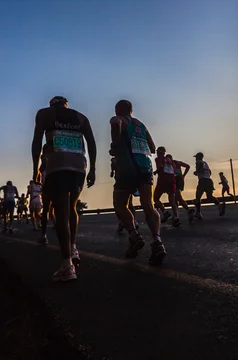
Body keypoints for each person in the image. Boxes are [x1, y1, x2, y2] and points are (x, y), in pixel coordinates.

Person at [31, 95, 97, 282]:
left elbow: (36, 142)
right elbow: (91, 143)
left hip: (57, 165)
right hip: (79, 166)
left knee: (60, 212)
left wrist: (35, 168)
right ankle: (73, 247)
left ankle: (67, 265)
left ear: (52, 104)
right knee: (72, 208)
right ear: (67, 105)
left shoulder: (44, 114)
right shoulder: (81, 117)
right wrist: (92, 169)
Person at [110, 99, 166, 265]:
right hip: (145, 167)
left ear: (117, 109)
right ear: (132, 110)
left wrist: (116, 143)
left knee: (120, 205)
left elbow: (115, 124)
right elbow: (153, 148)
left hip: (127, 168)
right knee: (148, 205)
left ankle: (134, 236)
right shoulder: (141, 125)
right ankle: (157, 241)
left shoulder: (118, 119)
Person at [193, 152, 225, 220]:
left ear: (198, 157)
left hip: (203, 181)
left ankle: (198, 213)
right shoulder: (206, 163)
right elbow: (210, 172)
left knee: (198, 196)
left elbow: (200, 167)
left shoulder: (199, 162)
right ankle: (219, 206)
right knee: (210, 197)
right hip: (209, 180)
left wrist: (197, 172)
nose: (195, 159)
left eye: (196, 157)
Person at [153, 146, 180, 227]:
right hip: (171, 180)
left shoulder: (158, 159)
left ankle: (165, 212)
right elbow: (174, 170)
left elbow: (160, 167)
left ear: (160, 152)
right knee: (172, 200)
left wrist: (155, 172)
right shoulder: (170, 160)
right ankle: (176, 217)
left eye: (158, 152)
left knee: (156, 198)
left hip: (163, 180)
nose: (157, 153)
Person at [111, 157, 139, 233]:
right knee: (129, 203)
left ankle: (123, 222)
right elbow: (112, 173)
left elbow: (112, 173)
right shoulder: (126, 158)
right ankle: (132, 221)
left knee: (119, 204)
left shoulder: (117, 160)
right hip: (126, 181)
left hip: (121, 182)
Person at [169, 154, 195, 223]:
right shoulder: (177, 162)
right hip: (179, 179)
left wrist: (184, 175)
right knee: (175, 199)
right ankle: (176, 215)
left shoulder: (173, 163)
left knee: (177, 197)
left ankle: (188, 210)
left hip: (177, 179)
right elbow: (187, 166)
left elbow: (188, 166)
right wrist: (183, 175)